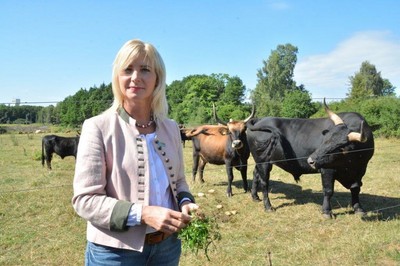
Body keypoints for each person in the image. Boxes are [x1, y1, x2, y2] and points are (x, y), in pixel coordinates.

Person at [72, 39, 199, 265]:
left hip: (167, 248)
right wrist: (142, 213)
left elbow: (179, 182)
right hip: (114, 253)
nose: (135, 77)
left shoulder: (170, 128)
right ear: (117, 77)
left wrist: (185, 202)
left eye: (145, 70)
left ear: (157, 78)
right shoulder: (97, 127)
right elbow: (85, 200)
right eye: (127, 69)